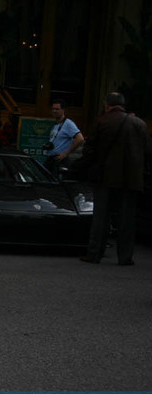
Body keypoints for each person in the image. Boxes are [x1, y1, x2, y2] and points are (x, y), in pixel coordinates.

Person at [80, 92, 152, 266]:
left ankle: (94, 253)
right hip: (131, 180)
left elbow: (89, 150)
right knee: (127, 219)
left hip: (105, 177)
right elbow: (148, 151)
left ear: (107, 105)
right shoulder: (139, 124)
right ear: (123, 105)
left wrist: (89, 167)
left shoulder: (101, 121)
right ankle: (125, 257)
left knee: (101, 218)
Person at [44, 99, 84, 175]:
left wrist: (66, 153)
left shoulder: (68, 123)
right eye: (53, 109)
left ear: (63, 110)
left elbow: (80, 138)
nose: (54, 111)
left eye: (57, 109)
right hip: (51, 158)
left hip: (60, 160)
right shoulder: (55, 124)